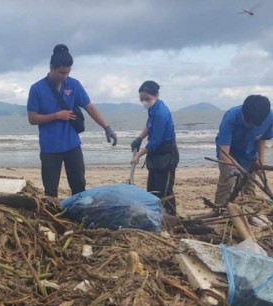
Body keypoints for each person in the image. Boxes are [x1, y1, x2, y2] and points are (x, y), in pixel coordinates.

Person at [27, 44, 118, 197]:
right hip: (50, 148)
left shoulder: (73, 84)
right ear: (51, 67)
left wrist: (106, 127)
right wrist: (56, 116)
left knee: (79, 187)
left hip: (72, 145)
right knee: (50, 192)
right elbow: (32, 118)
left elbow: (89, 107)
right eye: (61, 72)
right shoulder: (37, 88)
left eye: (68, 72)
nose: (65, 76)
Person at [214, 95, 273, 205]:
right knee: (227, 182)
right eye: (248, 122)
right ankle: (219, 209)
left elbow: (262, 138)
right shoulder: (230, 117)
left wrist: (260, 160)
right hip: (229, 152)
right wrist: (232, 168)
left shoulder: (268, 117)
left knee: (249, 183)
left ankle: (249, 209)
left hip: (249, 153)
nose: (250, 126)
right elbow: (224, 150)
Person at [129, 81, 179, 214]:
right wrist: (139, 138)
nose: (144, 102)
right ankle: (155, 215)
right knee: (152, 188)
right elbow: (149, 125)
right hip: (155, 155)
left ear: (156, 95)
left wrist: (138, 155)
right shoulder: (153, 108)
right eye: (142, 99)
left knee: (165, 190)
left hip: (166, 154)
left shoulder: (161, 113)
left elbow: (155, 142)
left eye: (147, 99)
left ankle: (171, 216)